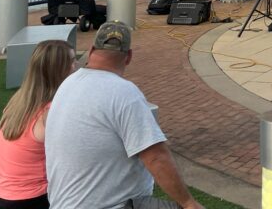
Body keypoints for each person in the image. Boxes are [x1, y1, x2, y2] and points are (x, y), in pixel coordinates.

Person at [45, 22, 203, 209]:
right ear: (128, 57)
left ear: (91, 49)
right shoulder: (124, 92)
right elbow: (156, 157)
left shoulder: (68, 83)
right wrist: (188, 203)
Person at [0, 40, 76, 209]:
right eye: (71, 61)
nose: (76, 65)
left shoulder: (19, 100)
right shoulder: (53, 111)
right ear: (59, 70)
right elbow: (73, 160)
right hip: (28, 200)